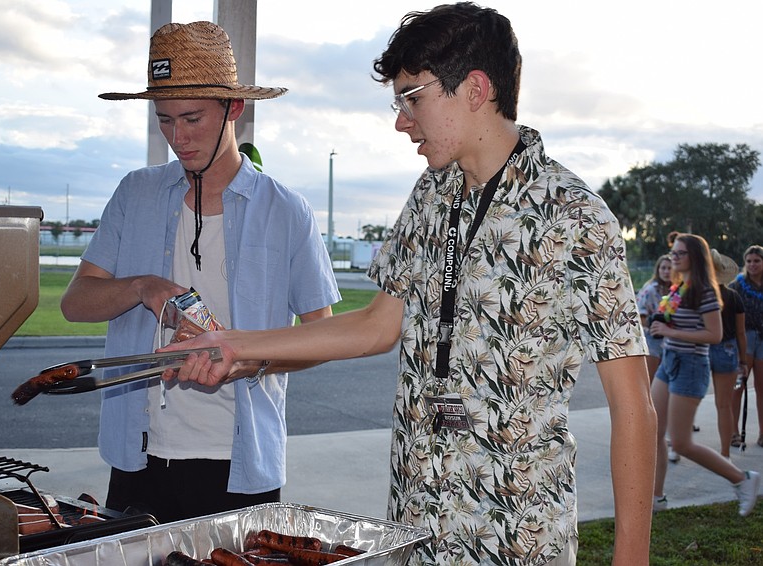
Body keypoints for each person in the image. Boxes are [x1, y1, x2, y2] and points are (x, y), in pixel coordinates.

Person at [160, 4, 657, 564]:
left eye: (412, 98)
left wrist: (631, 557)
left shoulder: (574, 216)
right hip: (416, 530)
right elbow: (377, 325)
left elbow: (632, 404)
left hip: (517, 538)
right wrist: (235, 346)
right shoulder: (431, 194)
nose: (402, 120)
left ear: (475, 89)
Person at [60, 21, 340, 523]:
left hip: (238, 463)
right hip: (137, 454)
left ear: (235, 108)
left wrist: (246, 360)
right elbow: (76, 302)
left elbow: (320, 337)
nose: (178, 138)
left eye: (191, 118)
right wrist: (145, 288)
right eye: (164, 120)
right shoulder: (134, 193)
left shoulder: (286, 209)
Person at [649, 234, 759, 515]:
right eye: (672, 253)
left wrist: (669, 331)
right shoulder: (679, 285)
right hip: (669, 362)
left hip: (690, 366)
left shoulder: (706, 291)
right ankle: (656, 497)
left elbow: (715, 334)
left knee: (682, 442)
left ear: (695, 257)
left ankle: (742, 479)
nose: (673, 257)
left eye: (680, 254)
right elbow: (668, 318)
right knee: (655, 431)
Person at [709, 249, 746, 458]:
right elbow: (741, 333)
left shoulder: (698, 295)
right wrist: (743, 361)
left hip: (702, 349)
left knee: (687, 400)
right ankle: (725, 454)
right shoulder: (733, 297)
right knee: (724, 405)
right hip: (728, 350)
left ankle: (680, 444)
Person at [729, 244, 763, 448]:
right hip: (744, 338)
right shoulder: (737, 285)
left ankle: (762, 432)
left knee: (761, 388)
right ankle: (733, 432)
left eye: (757, 260)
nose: (752, 264)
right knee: (738, 386)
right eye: (749, 261)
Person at [637, 254, 672, 380]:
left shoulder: (676, 290)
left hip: (671, 339)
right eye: (663, 268)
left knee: (666, 381)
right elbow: (640, 317)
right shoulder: (650, 289)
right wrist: (655, 325)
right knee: (650, 380)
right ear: (658, 270)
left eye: (670, 268)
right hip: (652, 340)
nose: (666, 271)